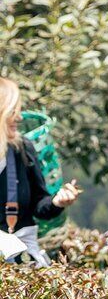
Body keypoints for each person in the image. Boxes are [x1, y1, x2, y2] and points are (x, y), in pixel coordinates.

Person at [0, 78, 80, 265]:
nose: (18, 118)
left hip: (22, 259)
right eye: (12, 111)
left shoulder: (22, 150)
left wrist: (57, 202)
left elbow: (39, 205)